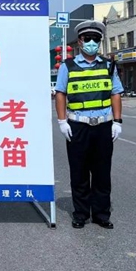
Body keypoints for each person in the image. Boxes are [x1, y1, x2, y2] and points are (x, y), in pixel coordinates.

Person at [54, 20, 124, 230]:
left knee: (102, 172)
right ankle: (81, 214)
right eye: (88, 39)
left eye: (96, 39)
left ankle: (101, 214)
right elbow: (60, 93)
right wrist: (62, 121)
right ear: (80, 41)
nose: (92, 43)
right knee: (79, 172)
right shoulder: (68, 66)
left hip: (103, 126)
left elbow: (115, 93)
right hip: (78, 126)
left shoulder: (108, 65)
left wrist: (117, 121)